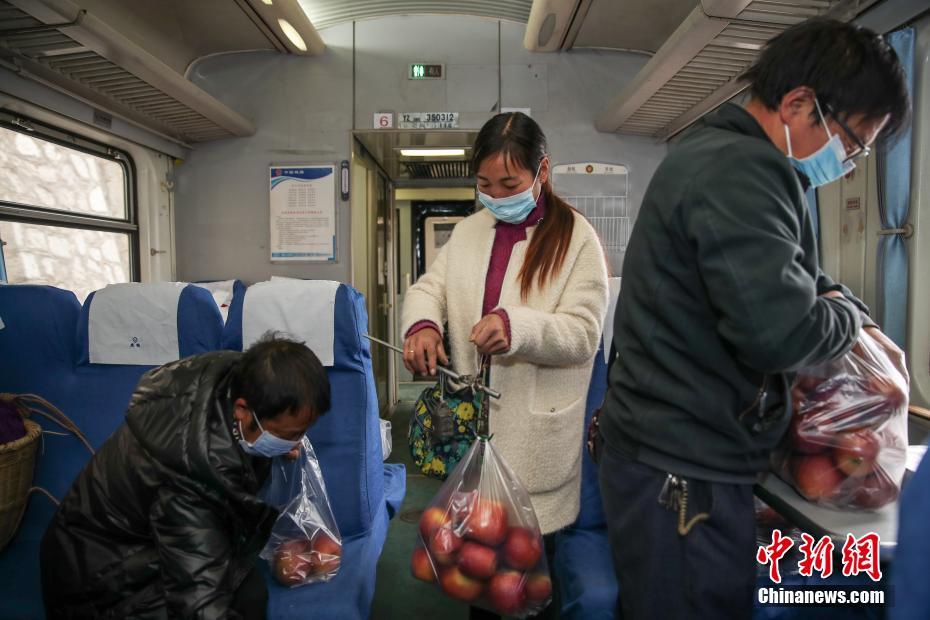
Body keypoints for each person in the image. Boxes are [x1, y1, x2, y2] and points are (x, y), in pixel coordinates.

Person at [595, 18, 910, 620]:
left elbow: (798, 282)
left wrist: (835, 302)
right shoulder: (741, 172)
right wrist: (849, 316)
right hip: (679, 471)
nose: (851, 162)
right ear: (798, 104)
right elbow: (782, 332)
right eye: (854, 143)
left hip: (678, 454)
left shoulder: (731, 161)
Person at [402, 111, 609, 618]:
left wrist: (516, 327)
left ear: (543, 172)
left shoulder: (576, 239)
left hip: (537, 437)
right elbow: (431, 286)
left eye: (509, 183)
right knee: (479, 581)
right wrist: (423, 323)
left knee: (531, 585)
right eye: (485, 184)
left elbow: (583, 334)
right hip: (477, 434)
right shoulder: (471, 232)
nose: (496, 194)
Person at [40, 335, 331, 618]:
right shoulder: (188, 477)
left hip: (146, 544)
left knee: (251, 594)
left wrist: (274, 444)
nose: (296, 444)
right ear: (243, 410)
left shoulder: (229, 381)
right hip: (101, 582)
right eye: (289, 435)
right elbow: (198, 601)